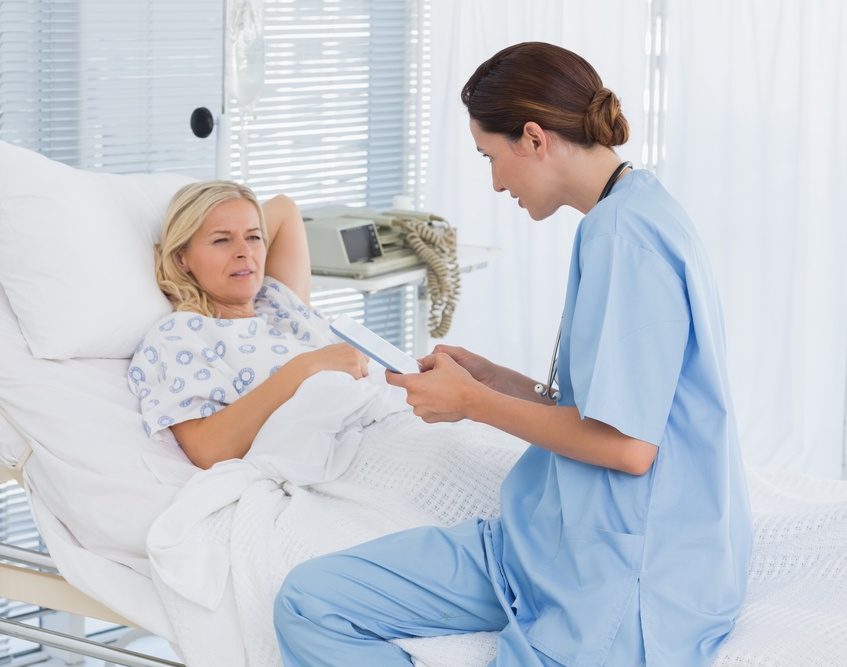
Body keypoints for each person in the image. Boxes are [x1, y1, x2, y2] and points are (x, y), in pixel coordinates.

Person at [273, 42, 752, 666]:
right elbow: (609, 409)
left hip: (626, 571)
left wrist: (472, 403)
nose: (496, 182)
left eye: (491, 158)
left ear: (533, 137)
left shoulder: (624, 237)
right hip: (540, 541)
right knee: (310, 601)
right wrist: (495, 383)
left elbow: (630, 449)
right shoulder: (628, 212)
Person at [127, 181, 368, 469]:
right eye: (221, 240)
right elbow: (208, 449)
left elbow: (285, 208)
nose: (245, 252)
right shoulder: (181, 334)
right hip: (354, 454)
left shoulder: (277, 301)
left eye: (253, 237)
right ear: (182, 258)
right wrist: (306, 367)